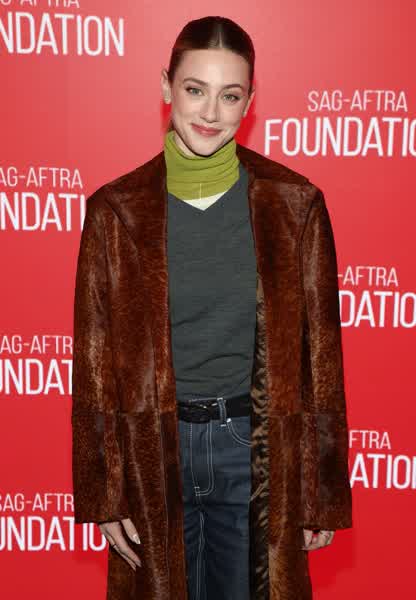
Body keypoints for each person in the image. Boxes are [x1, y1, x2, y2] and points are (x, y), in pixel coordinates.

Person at [71, 15, 352, 600]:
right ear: (166, 86)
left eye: (230, 95)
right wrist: (104, 490)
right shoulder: (115, 211)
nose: (210, 112)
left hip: (255, 455)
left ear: (249, 102)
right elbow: (94, 365)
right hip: (153, 454)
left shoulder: (295, 205)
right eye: (195, 89)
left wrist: (320, 491)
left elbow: (320, 358)